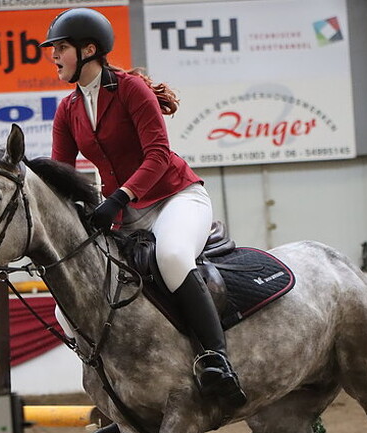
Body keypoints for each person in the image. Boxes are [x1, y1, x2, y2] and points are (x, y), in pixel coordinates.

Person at [40, 8, 247, 410]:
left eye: (61, 48)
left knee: (171, 257)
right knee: (68, 307)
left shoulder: (131, 90)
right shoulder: (68, 109)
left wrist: (118, 198)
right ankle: (114, 389)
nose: (54, 56)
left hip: (175, 196)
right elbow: (60, 174)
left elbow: (157, 154)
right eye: (54, 49)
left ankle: (217, 361)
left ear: (89, 50)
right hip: (126, 213)